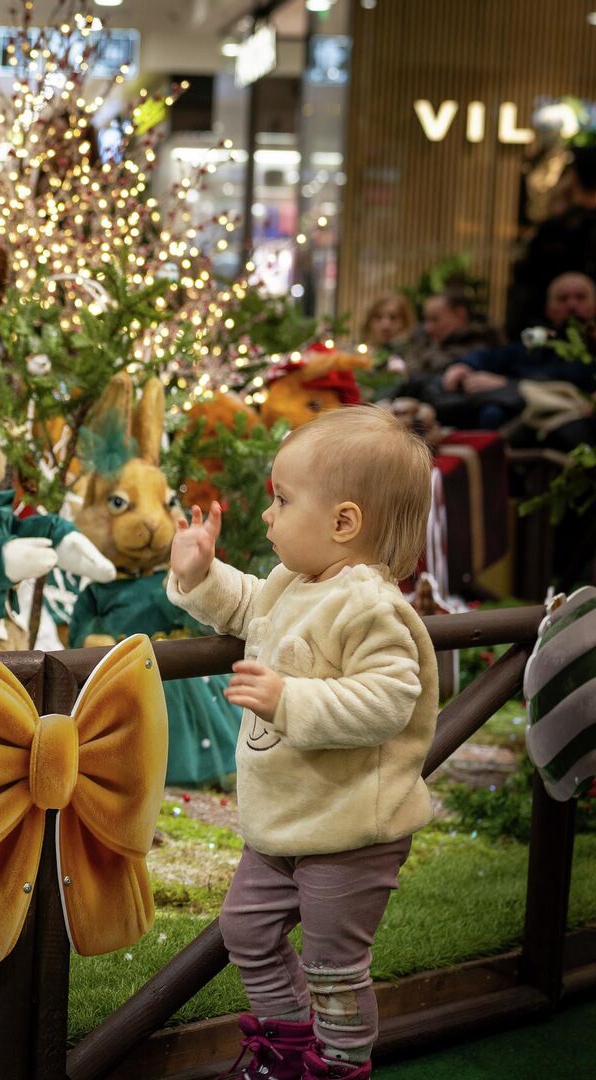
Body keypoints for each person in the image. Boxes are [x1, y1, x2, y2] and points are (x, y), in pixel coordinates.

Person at [167, 407, 437, 1080]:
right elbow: (247, 603)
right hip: (284, 824)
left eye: (283, 500)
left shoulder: (371, 606)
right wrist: (202, 573)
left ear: (344, 522)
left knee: (334, 967)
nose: (268, 515)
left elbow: (388, 700)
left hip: (350, 830)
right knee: (246, 929)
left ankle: (338, 1066)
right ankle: (287, 1050)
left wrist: (289, 700)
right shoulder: (293, 583)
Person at [442, 271, 596, 440]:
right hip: (519, 408)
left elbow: (571, 377)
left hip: (569, 414)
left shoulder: (590, 347)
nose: (572, 305)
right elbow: (499, 355)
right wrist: (464, 365)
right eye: (562, 299)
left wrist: (507, 384)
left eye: (581, 297)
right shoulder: (539, 340)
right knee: (490, 412)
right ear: (548, 308)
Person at [507, 142, 596, 338]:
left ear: (574, 178)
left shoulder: (553, 230)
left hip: (544, 337)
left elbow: (523, 290)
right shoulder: (556, 229)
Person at [393, 288, 499, 378]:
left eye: (435, 319)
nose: (428, 328)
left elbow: (434, 370)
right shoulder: (426, 339)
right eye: (426, 320)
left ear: (460, 315)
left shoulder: (480, 347)